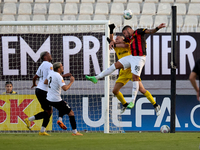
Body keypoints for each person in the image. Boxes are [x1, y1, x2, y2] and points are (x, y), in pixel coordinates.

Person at [86, 23, 165, 113]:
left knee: (141, 89)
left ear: (128, 30)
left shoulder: (133, 38)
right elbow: (112, 41)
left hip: (137, 61)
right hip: (126, 67)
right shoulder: (127, 40)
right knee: (114, 74)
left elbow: (149, 32)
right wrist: (112, 36)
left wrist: (157, 28)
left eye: (123, 34)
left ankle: (150, 104)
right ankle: (96, 78)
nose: (122, 36)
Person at [106, 24, 161, 115]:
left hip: (132, 70)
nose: (116, 40)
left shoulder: (128, 43)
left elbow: (123, 45)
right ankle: (124, 104)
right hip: (123, 73)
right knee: (115, 91)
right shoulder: (117, 48)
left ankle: (155, 105)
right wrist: (111, 30)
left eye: (118, 39)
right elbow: (111, 41)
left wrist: (114, 42)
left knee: (142, 90)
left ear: (123, 39)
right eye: (115, 40)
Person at [44, 62, 83, 136]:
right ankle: (75, 132)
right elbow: (65, 88)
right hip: (56, 99)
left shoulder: (51, 74)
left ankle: (60, 120)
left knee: (63, 104)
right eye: (61, 66)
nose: (63, 67)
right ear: (58, 69)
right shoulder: (58, 76)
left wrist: (55, 81)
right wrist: (71, 82)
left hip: (49, 99)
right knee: (71, 113)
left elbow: (45, 82)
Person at [24, 51, 54, 136]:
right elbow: (50, 77)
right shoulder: (49, 65)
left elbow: (35, 77)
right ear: (45, 57)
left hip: (39, 90)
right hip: (44, 90)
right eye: (49, 54)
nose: (51, 56)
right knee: (49, 111)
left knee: (48, 111)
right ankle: (29, 120)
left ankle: (42, 130)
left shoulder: (42, 65)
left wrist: (34, 83)